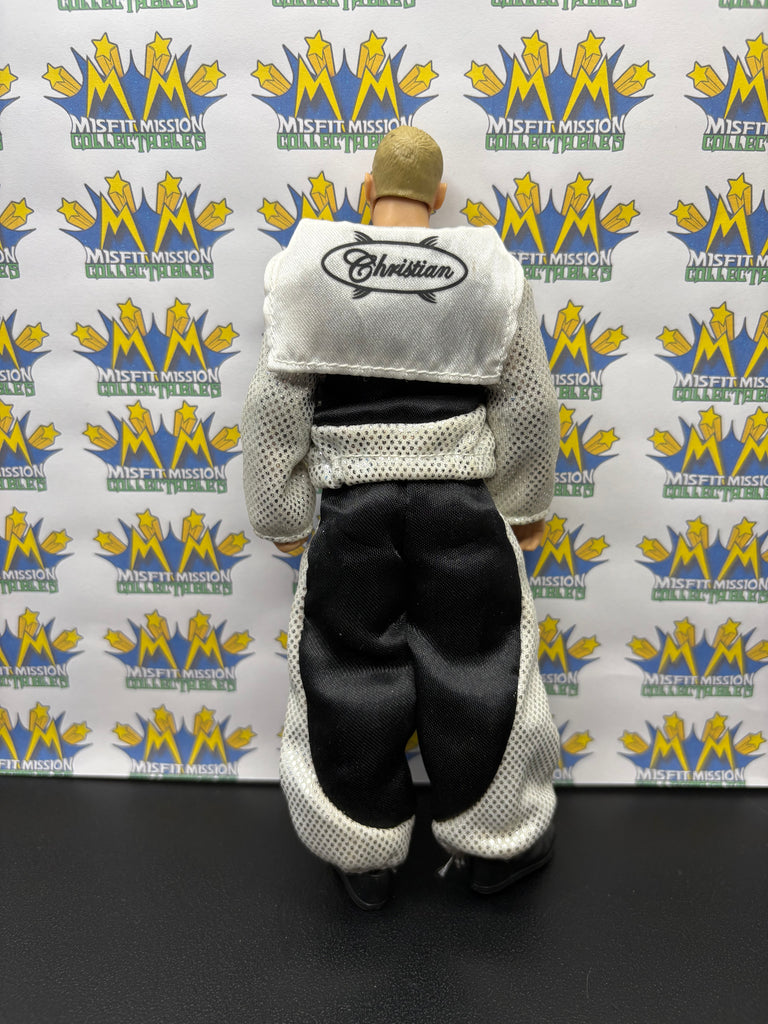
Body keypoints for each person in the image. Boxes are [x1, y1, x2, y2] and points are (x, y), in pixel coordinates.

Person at [242, 126, 560, 909]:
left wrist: (282, 509)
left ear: (365, 190)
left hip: (354, 508)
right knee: (481, 663)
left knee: (343, 666)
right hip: (460, 505)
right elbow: (527, 402)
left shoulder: (306, 268)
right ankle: (494, 845)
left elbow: (274, 406)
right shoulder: (491, 271)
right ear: (440, 196)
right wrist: (523, 501)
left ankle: (361, 853)